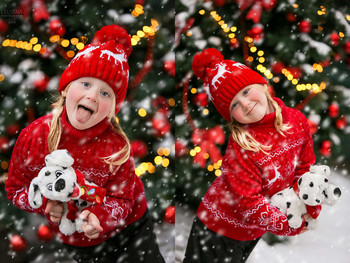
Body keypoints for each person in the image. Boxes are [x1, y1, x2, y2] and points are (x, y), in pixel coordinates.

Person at [6, 25, 165, 263]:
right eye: (86, 84)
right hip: (79, 239)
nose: (92, 96)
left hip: (131, 228)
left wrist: (102, 215)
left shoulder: (116, 146)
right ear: (67, 87)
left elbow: (123, 198)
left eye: (105, 93)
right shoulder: (36, 136)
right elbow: (16, 188)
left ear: (112, 109)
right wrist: (44, 202)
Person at [183, 48, 316, 263]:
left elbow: (305, 168)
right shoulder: (242, 147)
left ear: (262, 85)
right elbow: (248, 203)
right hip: (218, 228)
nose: (245, 104)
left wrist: (310, 203)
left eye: (245, 92)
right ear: (231, 116)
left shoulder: (296, 121)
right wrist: (290, 223)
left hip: (253, 229)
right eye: (234, 104)